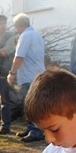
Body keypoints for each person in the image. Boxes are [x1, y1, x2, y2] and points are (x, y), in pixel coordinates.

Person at [7, 13, 46, 143]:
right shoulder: (37, 36)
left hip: (29, 76)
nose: (16, 29)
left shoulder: (25, 36)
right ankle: (31, 128)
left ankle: (36, 131)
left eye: (16, 26)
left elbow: (19, 57)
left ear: (20, 25)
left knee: (32, 104)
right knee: (31, 104)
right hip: (38, 74)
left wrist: (12, 73)